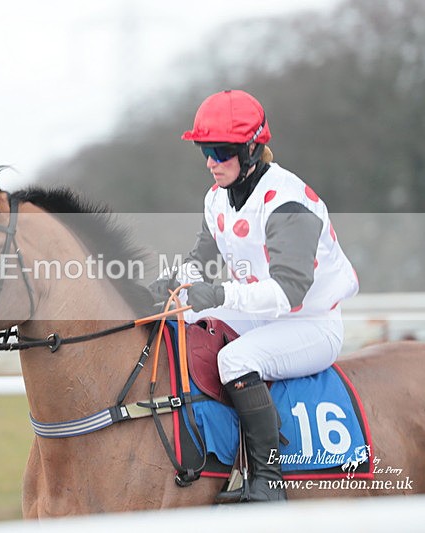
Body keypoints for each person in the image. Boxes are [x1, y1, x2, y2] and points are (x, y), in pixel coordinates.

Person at [149, 90, 359, 503]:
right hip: (262, 314)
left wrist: (218, 293)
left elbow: (288, 292)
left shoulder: (287, 202)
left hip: (310, 323)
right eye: (203, 150)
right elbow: (200, 259)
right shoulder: (216, 198)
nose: (211, 161)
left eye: (220, 150)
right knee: (185, 319)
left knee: (235, 359)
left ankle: (268, 479)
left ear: (251, 149)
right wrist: (175, 284)